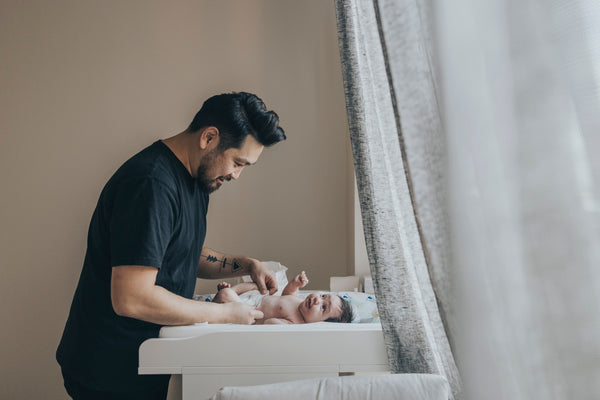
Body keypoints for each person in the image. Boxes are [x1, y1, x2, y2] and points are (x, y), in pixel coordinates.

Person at [56, 92, 286, 400]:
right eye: (237, 162)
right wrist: (224, 315)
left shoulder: (196, 179)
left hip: (141, 360)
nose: (236, 175)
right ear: (209, 137)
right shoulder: (151, 184)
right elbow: (131, 298)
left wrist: (245, 265)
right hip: (110, 370)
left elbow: (177, 253)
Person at [212, 271, 354, 324]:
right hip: (253, 298)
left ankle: (226, 295)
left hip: (247, 312)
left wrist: (275, 322)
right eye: (323, 296)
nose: (318, 299)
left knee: (226, 295)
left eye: (323, 307)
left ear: (319, 323)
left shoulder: (295, 322)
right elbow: (288, 294)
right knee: (258, 285)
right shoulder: (300, 302)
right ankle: (232, 292)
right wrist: (295, 284)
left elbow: (270, 323)